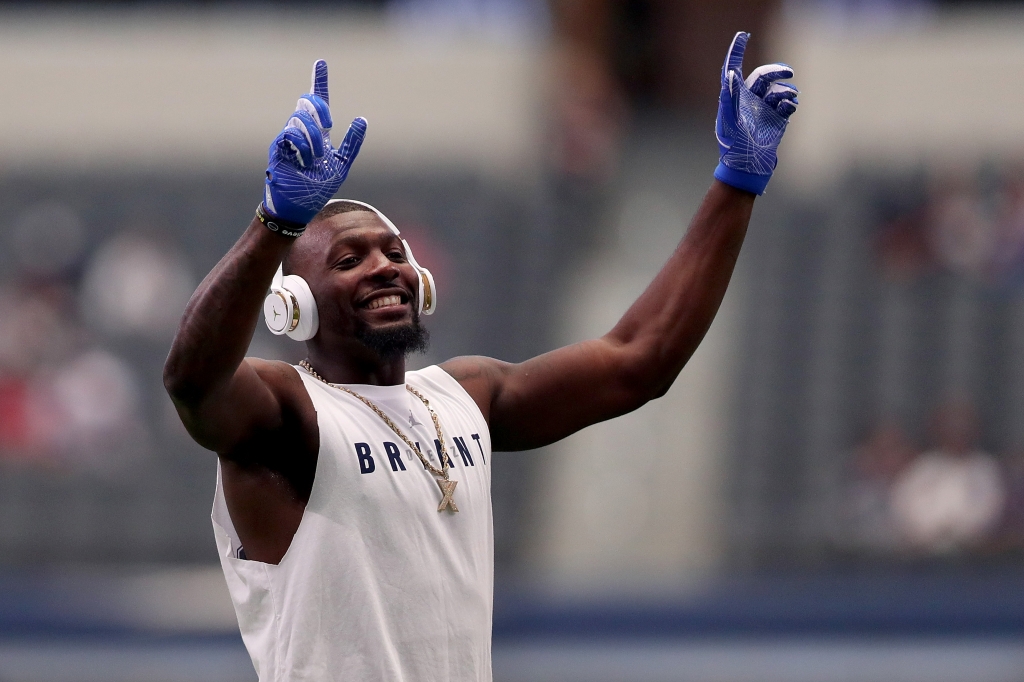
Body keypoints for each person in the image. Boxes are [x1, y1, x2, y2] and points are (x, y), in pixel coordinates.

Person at [163, 32, 798, 682]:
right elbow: (191, 380)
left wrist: (737, 181)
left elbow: (640, 359)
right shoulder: (290, 414)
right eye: (350, 260)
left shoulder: (464, 395)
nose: (386, 268)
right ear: (292, 305)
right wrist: (275, 221)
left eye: (395, 253)